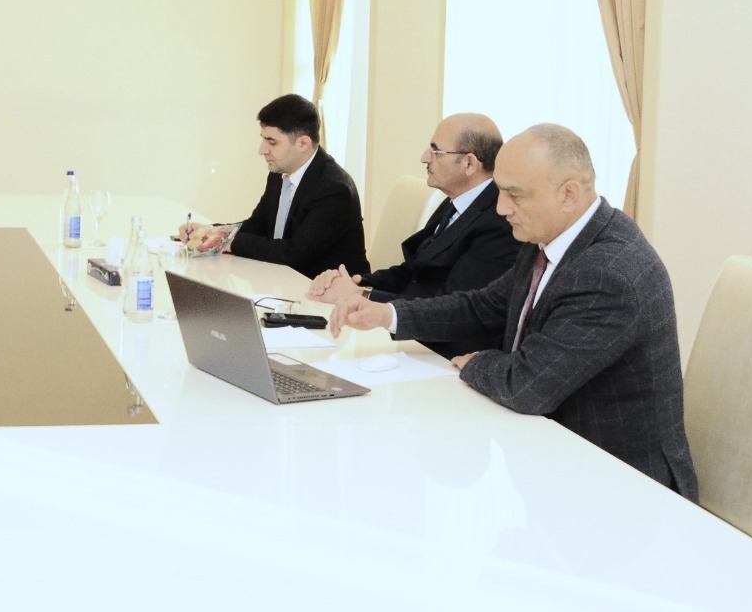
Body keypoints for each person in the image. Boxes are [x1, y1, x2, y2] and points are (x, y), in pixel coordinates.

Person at [328, 124, 697, 500]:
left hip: (620, 488)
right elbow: (485, 305)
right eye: (500, 191)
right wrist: (386, 314)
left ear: (568, 194)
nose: (501, 208)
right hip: (551, 456)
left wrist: (475, 362)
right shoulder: (550, 235)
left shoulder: (608, 273)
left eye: (514, 195)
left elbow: (526, 387)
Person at [307, 113, 521, 358]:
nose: (424, 157)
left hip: (445, 354)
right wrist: (355, 283)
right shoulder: (457, 202)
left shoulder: (499, 220)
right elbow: (415, 269)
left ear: (469, 164)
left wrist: (364, 296)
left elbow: (455, 305)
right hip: (416, 339)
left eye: (435, 151)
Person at [183, 94, 367, 280]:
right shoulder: (279, 173)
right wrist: (210, 232)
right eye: (263, 140)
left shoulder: (335, 189)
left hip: (328, 291)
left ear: (303, 143)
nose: (262, 150)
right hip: (282, 283)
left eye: (272, 142)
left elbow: (295, 254)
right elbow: (258, 225)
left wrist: (228, 240)